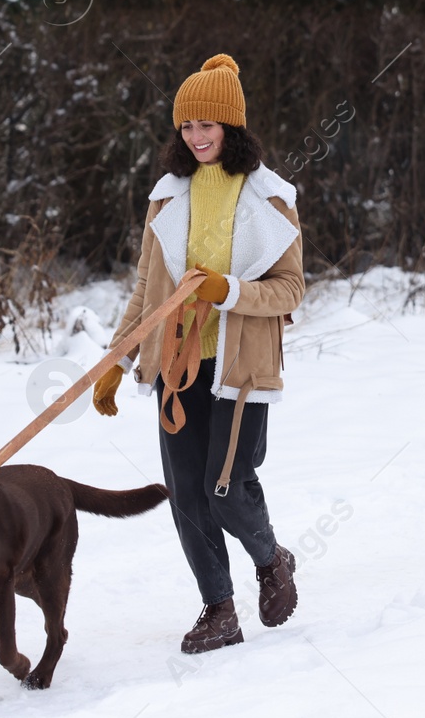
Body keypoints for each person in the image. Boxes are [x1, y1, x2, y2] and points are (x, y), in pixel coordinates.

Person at [92, 53, 304, 654]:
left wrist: (227, 291)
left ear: (232, 126)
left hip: (238, 367)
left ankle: (271, 557)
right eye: (187, 126)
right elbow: (145, 287)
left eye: (207, 124)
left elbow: (291, 288)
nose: (197, 136)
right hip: (176, 363)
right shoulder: (166, 196)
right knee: (186, 493)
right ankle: (219, 609)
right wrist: (117, 358)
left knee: (224, 485)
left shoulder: (270, 197)